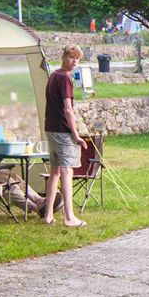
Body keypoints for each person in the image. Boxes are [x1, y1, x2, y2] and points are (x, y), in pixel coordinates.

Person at [43, 46, 90, 227]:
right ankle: (69, 216)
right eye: (71, 57)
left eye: (77, 58)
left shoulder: (53, 75)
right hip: (62, 130)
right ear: (63, 57)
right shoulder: (64, 79)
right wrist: (76, 135)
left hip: (51, 128)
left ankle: (48, 215)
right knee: (66, 170)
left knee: (54, 171)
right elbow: (68, 109)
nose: (74, 61)